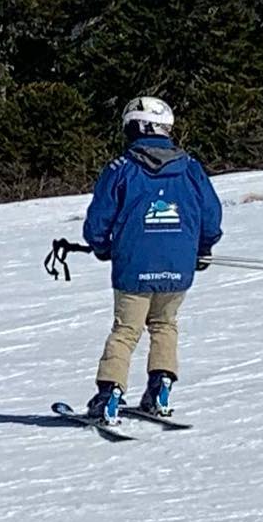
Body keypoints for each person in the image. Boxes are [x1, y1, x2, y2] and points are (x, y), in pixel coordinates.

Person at [82, 95, 222, 424]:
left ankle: (109, 395)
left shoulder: (121, 169)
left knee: (126, 330)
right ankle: (160, 389)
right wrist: (204, 248)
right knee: (164, 325)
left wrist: (102, 247)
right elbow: (211, 216)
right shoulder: (190, 168)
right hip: (178, 265)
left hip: (134, 265)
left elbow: (98, 220)